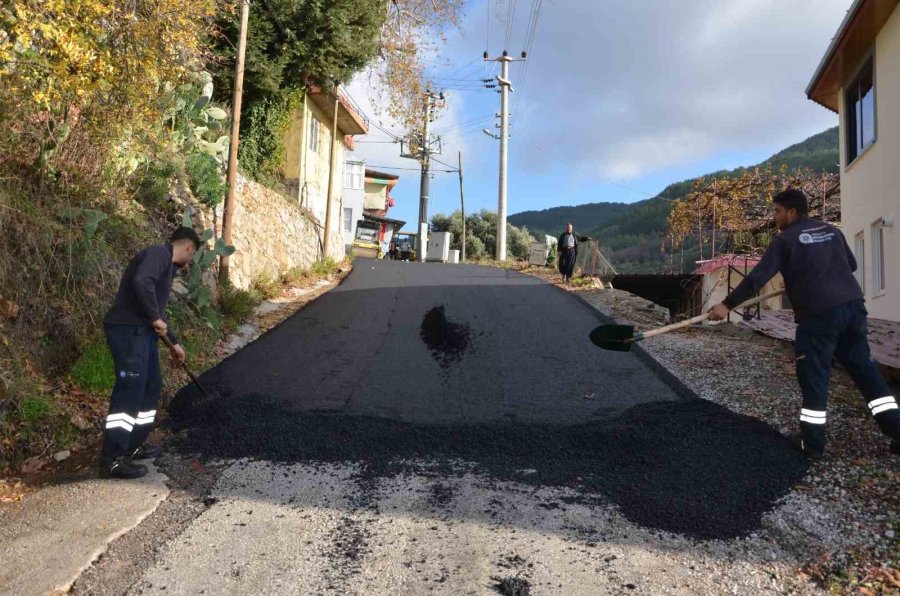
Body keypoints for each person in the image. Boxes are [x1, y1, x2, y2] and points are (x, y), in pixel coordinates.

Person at [708, 189, 899, 458]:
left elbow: (756, 279)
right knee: (865, 371)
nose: (775, 217)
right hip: (853, 309)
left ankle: (811, 444)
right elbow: (851, 265)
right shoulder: (831, 231)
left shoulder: (784, 240)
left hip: (819, 317)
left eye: (778, 211)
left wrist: (726, 305)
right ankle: (897, 430)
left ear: (792, 212)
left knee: (814, 376)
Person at [99, 227, 200, 478]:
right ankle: (112, 458)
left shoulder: (167, 267)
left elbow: (157, 313)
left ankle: (133, 445)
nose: (190, 261)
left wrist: (174, 343)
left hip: (143, 333)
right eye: (193, 255)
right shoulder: (158, 255)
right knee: (130, 391)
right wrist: (155, 318)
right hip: (128, 331)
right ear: (189, 248)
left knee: (151, 386)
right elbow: (141, 281)